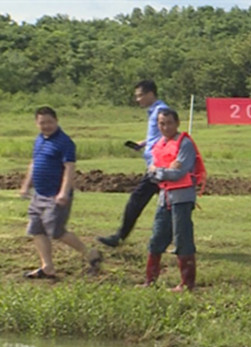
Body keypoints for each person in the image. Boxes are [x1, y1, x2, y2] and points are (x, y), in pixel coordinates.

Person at [19, 106, 102, 279]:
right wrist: (26, 185)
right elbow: (34, 163)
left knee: (56, 231)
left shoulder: (65, 142)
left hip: (55, 195)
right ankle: (47, 267)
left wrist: (64, 192)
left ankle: (91, 254)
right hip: (39, 194)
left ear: (56, 121)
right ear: (37, 123)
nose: (46, 126)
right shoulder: (39, 140)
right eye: (42, 123)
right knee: (36, 229)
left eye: (49, 122)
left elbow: (69, 168)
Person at [97, 80, 169, 247]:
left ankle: (120, 237)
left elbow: (169, 133)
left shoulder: (161, 111)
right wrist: (143, 144)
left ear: (150, 94)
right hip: (157, 164)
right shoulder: (154, 111)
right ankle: (179, 241)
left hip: (158, 166)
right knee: (169, 205)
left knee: (137, 199)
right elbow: (158, 135)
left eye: (140, 95)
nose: (137, 99)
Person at [142, 109, 205, 292]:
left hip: (182, 199)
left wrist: (158, 171)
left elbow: (178, 172)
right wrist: (163, 171)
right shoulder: (160, 144)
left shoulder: (184, 144)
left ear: (177, 123)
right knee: (156, 238)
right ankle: (149, 280)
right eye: (162, 124)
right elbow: (151, 172)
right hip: (165, 197)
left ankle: (187, 284)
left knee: (182, 239)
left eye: (169, 123)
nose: (165, 127)